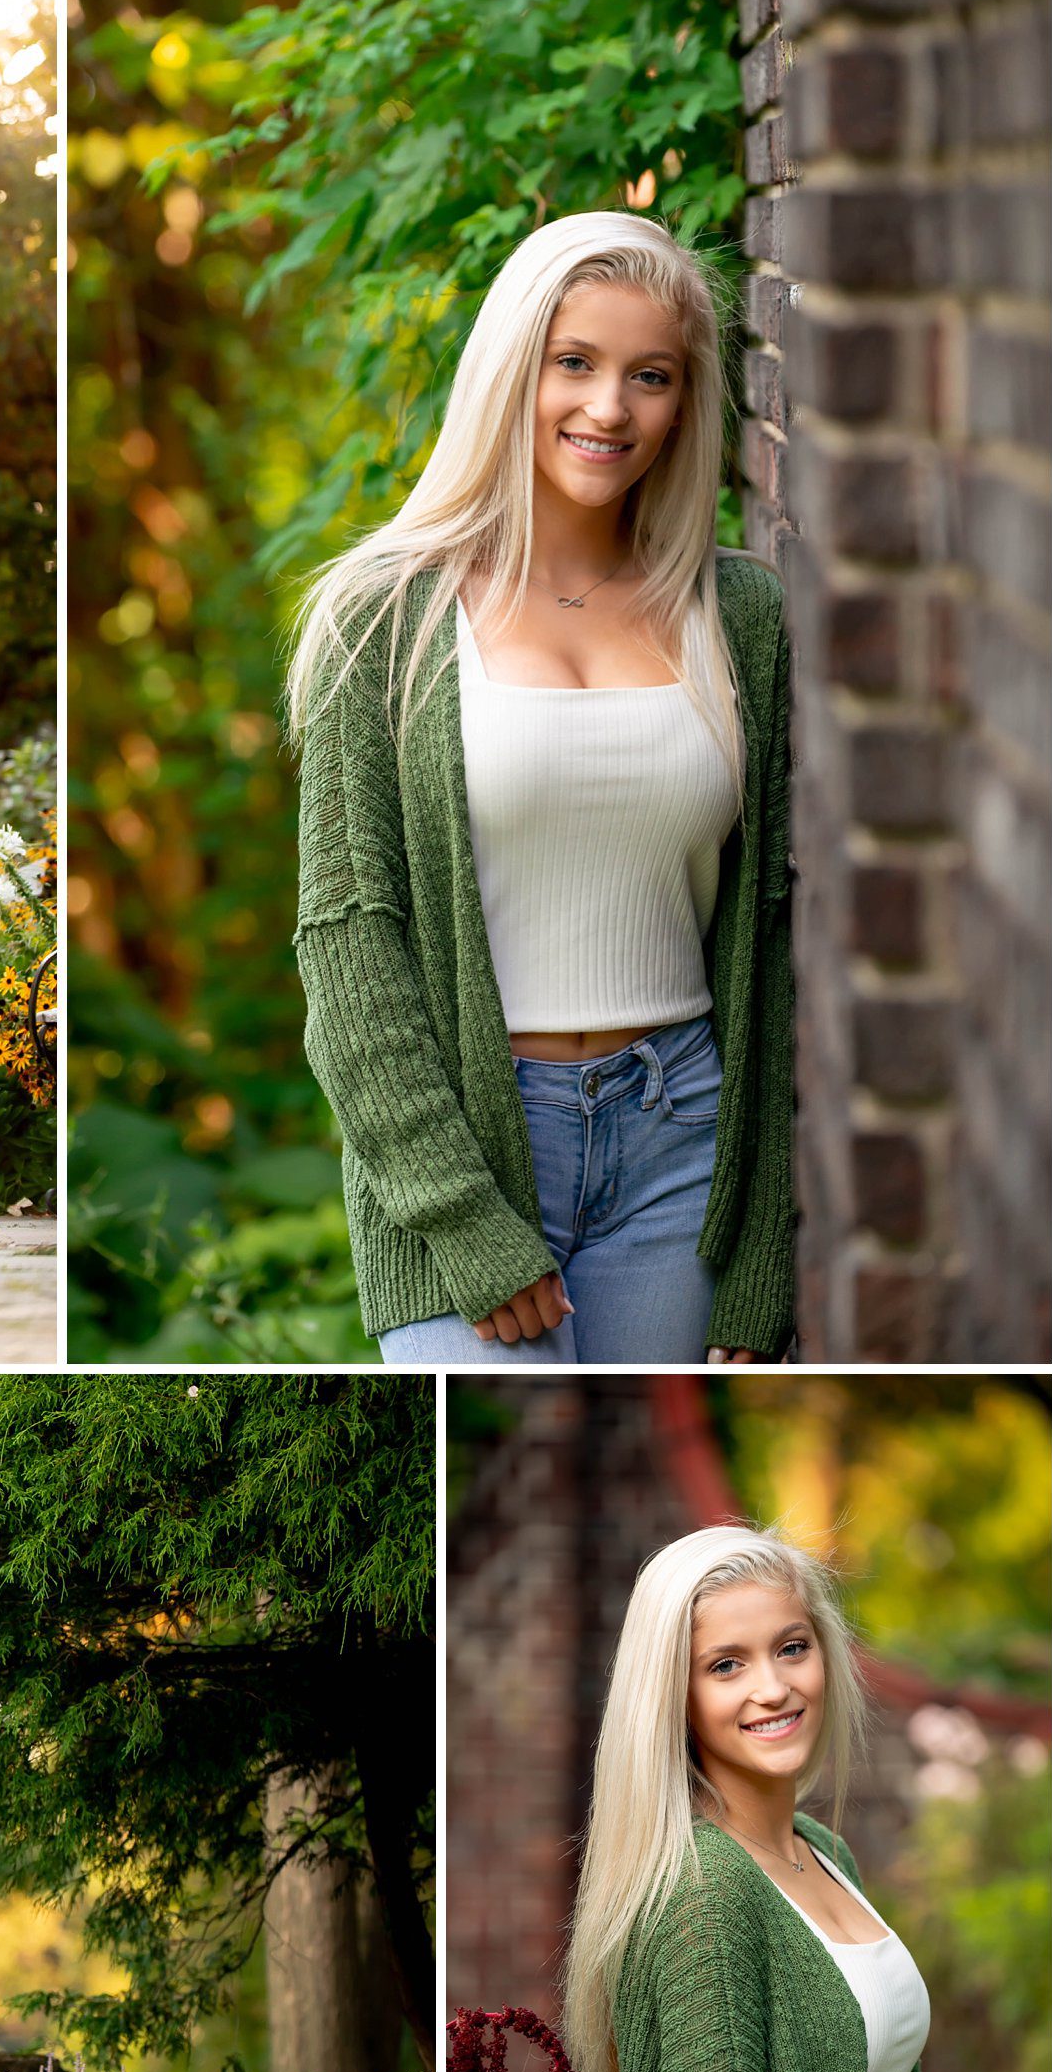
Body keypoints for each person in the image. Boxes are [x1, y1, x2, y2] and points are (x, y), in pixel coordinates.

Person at [288, 212, 794, 1365]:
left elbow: (776, 947)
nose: (607, 408)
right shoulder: (385, 616)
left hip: (684, 1144)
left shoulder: (744, 616)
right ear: (513, 370)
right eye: (573, 362)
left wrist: (761, 1257)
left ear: (685, 401)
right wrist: (461, 1218)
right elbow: (347, 943)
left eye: (648, 375)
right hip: (462, 1145)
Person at [562, 1526, 932, 2072]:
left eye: (792, 1648)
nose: (773, 1687)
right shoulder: (703, 1893)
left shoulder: (829, 1856)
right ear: (676, 1697)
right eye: (726, 1665)